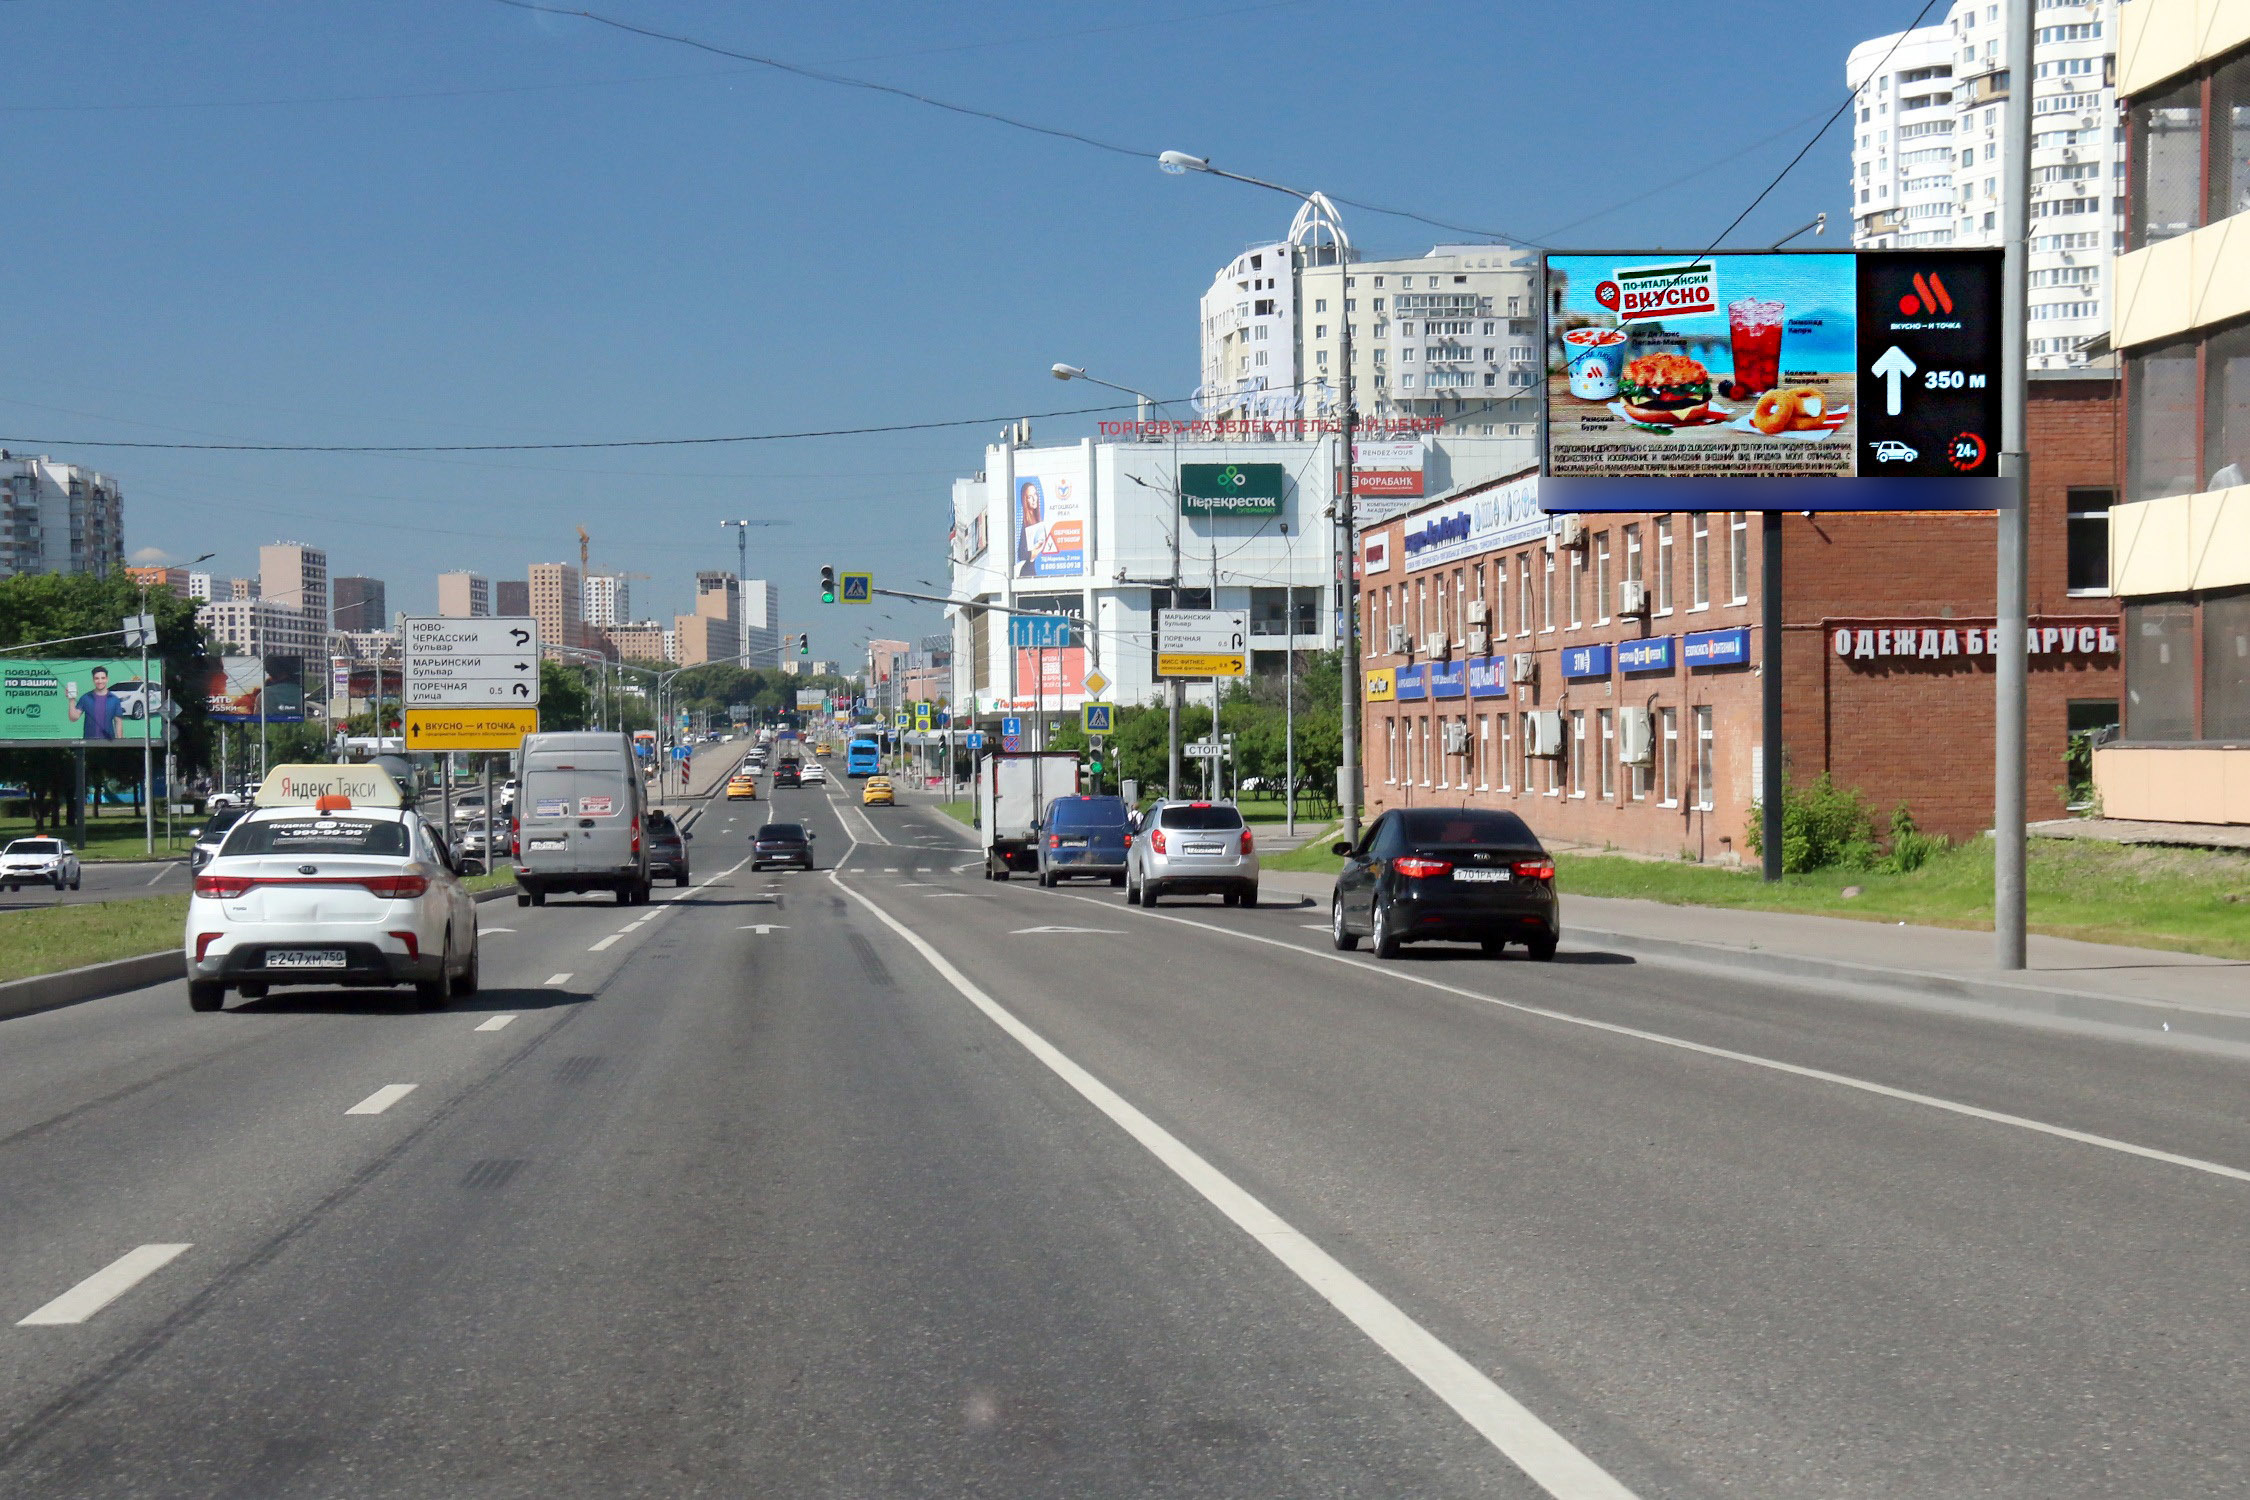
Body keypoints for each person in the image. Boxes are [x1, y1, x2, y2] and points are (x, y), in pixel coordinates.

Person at [66, 666, 123, 740]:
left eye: (103, 678)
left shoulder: (114, 700)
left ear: (107, 679)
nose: (100, 681)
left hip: (109, 744)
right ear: (93, 680)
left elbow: (118, 722)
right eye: (97, 678)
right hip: (89, 744)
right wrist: (71, 700)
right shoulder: (85, 698)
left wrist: (120, 743)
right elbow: (73, 718)